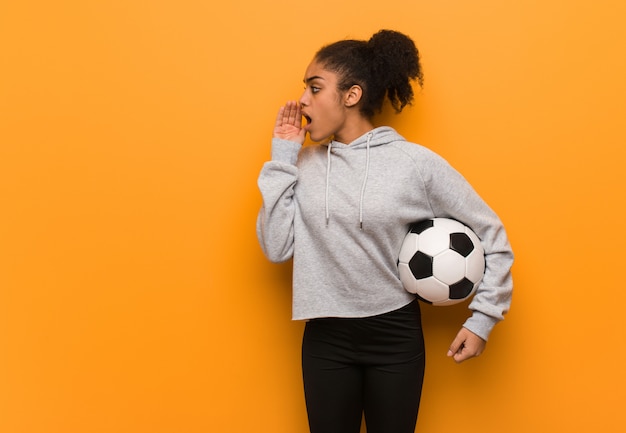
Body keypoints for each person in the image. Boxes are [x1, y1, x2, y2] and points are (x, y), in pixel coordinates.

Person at [256, 29, 514, 433]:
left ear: (351, 95)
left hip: (394, 336)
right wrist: (283, 156)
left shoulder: (414, 164)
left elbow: (492, 235)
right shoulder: (301, 165)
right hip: (326, 338)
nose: (302, 100)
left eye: (314, 87)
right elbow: (275, 247)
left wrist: (482, 319)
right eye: (304, 88)